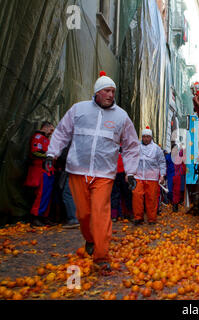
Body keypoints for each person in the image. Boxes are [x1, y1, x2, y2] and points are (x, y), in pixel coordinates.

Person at [45, 71, 140, 272]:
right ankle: (90, 239)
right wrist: (51, 154)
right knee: (83, 214)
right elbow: (62, 132)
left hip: (104, 174)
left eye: (113, 91)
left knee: (100, 213)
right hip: (77, 170)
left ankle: (101, 256)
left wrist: (130, 172)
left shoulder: (121, 116)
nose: (110, 95)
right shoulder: (78, 110)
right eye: (107, 91)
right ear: (97, 92)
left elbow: (131, 146)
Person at [24, 121, 57, 227]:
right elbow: (35, 152)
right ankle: (35, 217)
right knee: (41, 194)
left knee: (47, 195)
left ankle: (43, 217)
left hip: (48, 171)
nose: (52, 132)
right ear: (45, 128)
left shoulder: (46, 139)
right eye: (51, 129)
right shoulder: (38, 137)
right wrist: (49, 156)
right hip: (41, 170)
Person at [132, 127, 166, 225]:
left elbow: (162, 163)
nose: (146, 139)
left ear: (151, 137)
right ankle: (138, 217)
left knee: (151, 198)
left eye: (148, 137)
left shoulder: (157, 149)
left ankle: (152, 219)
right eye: (144, 137)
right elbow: (131, 160)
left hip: (152, 178)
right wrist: (129, 173)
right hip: (138, 177)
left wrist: (162, 175)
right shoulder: (137, 147)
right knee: (137, 196)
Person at [54, 146, 80, 229]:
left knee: (68, 194)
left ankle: (74, 218)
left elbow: (64, 157)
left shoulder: (68, 144)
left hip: (71, 170)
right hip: (78, 170)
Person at [111, 150, 133, 222]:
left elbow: (131, 159)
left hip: (124, 172)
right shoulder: (112, 144)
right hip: (114, 172)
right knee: (114, 195)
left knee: (127, 194)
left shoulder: (126, 144)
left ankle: (128, 213)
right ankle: (114, 215)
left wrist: (129, 173)